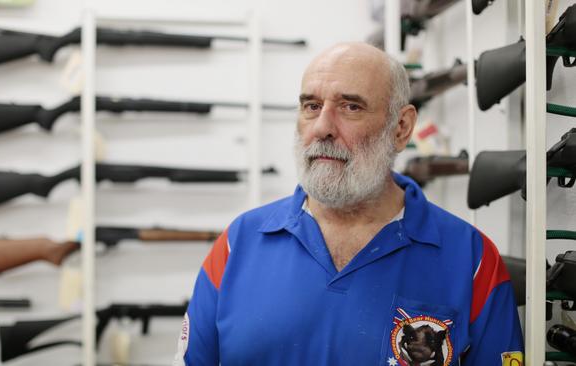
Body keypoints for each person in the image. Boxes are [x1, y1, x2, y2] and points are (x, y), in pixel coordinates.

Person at [173, 42, 523, 366]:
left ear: (401, 128)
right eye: (311, 106)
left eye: (350, 107)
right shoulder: (239, 244)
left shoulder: (472, 261)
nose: (322, 127)